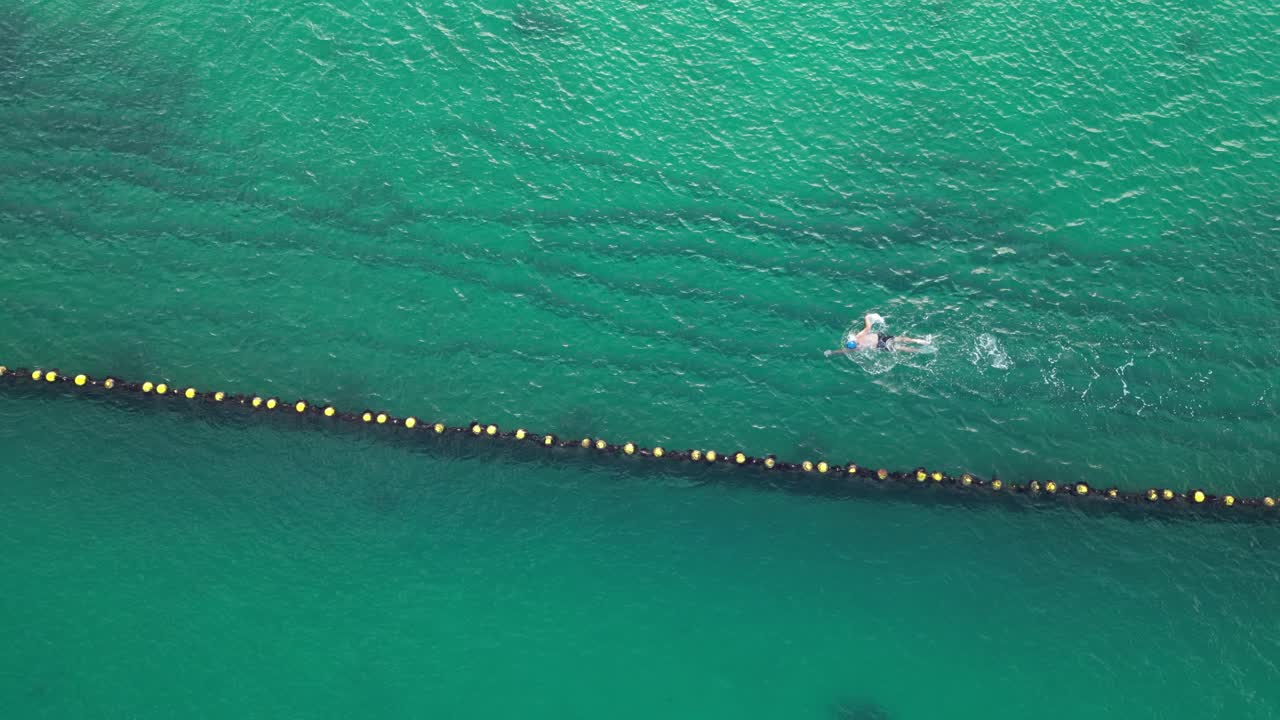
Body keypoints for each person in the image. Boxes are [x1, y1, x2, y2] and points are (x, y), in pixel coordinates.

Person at [824, 313, 931, 356]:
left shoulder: (854, 348)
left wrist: (832, 352)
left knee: (900, 347)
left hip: (880, 345)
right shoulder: (859, 336)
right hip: (881, 340)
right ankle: (921, 343)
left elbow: (842, 350)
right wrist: (867, 317)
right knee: (901, 340)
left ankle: (920, 350)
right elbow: (868, 327)